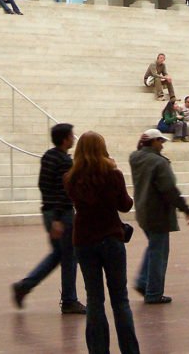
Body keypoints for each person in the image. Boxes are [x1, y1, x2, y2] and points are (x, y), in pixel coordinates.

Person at [63, 132, 140, 354]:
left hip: (84, 240)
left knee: (94, 300)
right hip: (111, 237)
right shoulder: (113, 174)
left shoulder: (70, 178)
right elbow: (125, 205)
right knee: (120, 299)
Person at [12, 123, 86, 315]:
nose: (73, 138)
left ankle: (25, 286)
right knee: (69, 256)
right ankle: (69, 300)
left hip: (50, 211)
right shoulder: (63, 161)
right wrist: (58, 217)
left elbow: (43, 185)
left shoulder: (49, 157)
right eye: (71, 135)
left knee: (59, 254)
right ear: (64, 139)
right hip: (61, 214)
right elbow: (64, 191)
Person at [130, 129, 189, 304]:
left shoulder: (135, 157)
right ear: (153, 142)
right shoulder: (159, 162)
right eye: (160, 141)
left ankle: (143, 282)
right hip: (158, 213)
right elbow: (169, 189)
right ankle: (153, 292)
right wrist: (185, 208)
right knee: (159, 252)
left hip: (143, 211)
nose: (162, 144)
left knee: (153, 247)